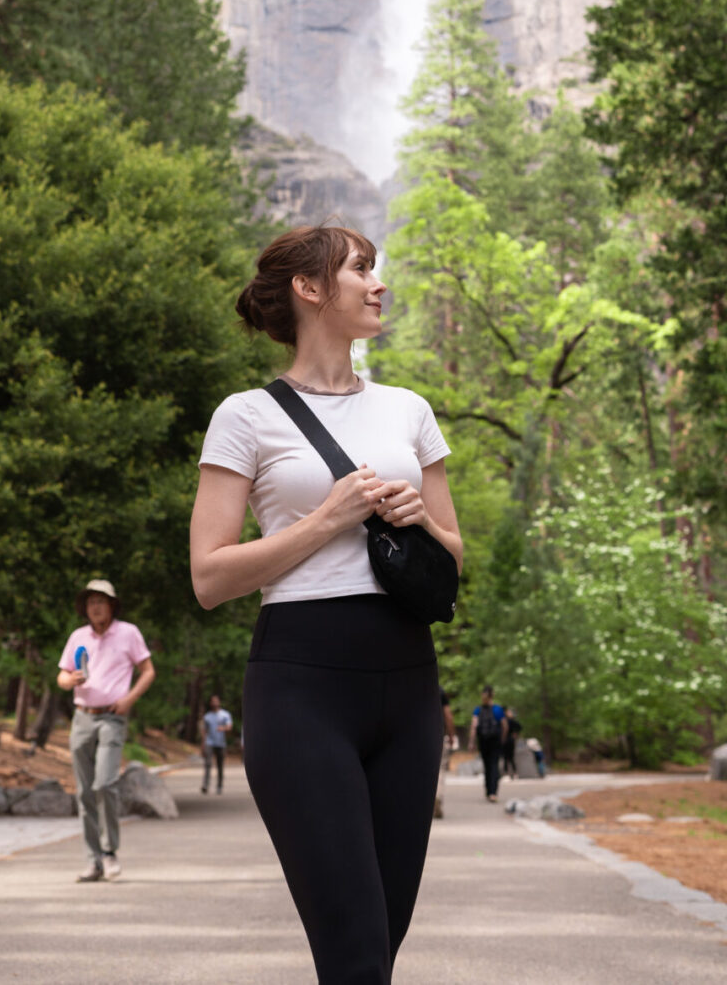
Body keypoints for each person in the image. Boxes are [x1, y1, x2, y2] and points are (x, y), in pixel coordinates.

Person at [190, 224, 463, 985]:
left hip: (409, 681)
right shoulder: (245, 415)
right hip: (302, 683)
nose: (379, 284)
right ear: (310, 289)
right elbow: (209, 576)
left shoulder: (409, 409)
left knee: (381, 943)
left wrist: (414, 518)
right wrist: (327, 521)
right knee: (353, 952)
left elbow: (454, 553)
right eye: (361, 270)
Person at [57, 579, 156, 883]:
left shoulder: (128, 633)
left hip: (112, 718)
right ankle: (93, 860)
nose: (95, 606)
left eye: (101, 601)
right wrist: (68, 681)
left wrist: (129, 699)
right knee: (84, 791)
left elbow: (148, 670)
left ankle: (110, 851)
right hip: (82, 718)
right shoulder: (78, 636)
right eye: (91, 602)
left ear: (112, 604)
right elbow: (61, 675)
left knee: (104, 783)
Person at [467, 686, 506, 802]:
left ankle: (488, 791)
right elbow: (505, 726)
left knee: (487, 765)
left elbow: (474, 727)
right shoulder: (498, 709)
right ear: (492, 695)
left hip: (483, 741)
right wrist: (502, 739)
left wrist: (471, 742)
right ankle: (493, 793)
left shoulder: (478, 710)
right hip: (495, 741)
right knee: (494, 765)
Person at [433, 686, 458, 820]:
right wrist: (452, 735)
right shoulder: (439, 690)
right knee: (440, 769)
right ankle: (436, 796)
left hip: (414, 736)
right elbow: (448, 714)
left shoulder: (414, 684)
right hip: (437, 734)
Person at [201, 693, 233, 794]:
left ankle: (219, 786)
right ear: (210, 703)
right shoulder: (207, 716)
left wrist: (222, 728)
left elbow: (229, 727)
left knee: (220, 765)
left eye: (216, 701)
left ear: (219, 702)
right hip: (209, 742)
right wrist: (203, 745)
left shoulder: (225, 714)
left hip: (221, 743)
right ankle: (205, 785)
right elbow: (204, 731)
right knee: (207, 764)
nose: (214, 703)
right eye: (213, 701)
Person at [502, 705, 522, 779]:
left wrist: (515, 733)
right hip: (504, 740)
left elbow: (519, 727)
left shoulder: (510, 720)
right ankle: (507, 773)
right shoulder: (502, 719)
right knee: (506, 757)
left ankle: (513, 772)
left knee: (510, 757)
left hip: (509, 739)